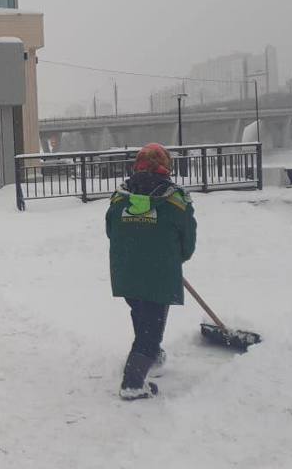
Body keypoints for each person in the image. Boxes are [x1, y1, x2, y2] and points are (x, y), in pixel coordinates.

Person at [105, 143, 196, 400]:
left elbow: (111, 231)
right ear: (166, 165)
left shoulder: (120, 197)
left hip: (126, 272)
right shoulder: (176, 199)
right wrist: (173, 259)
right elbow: (187, 242)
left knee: (141, 313)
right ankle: (133, 383)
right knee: (151, 328)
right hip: (159, 274)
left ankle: (150, 358)